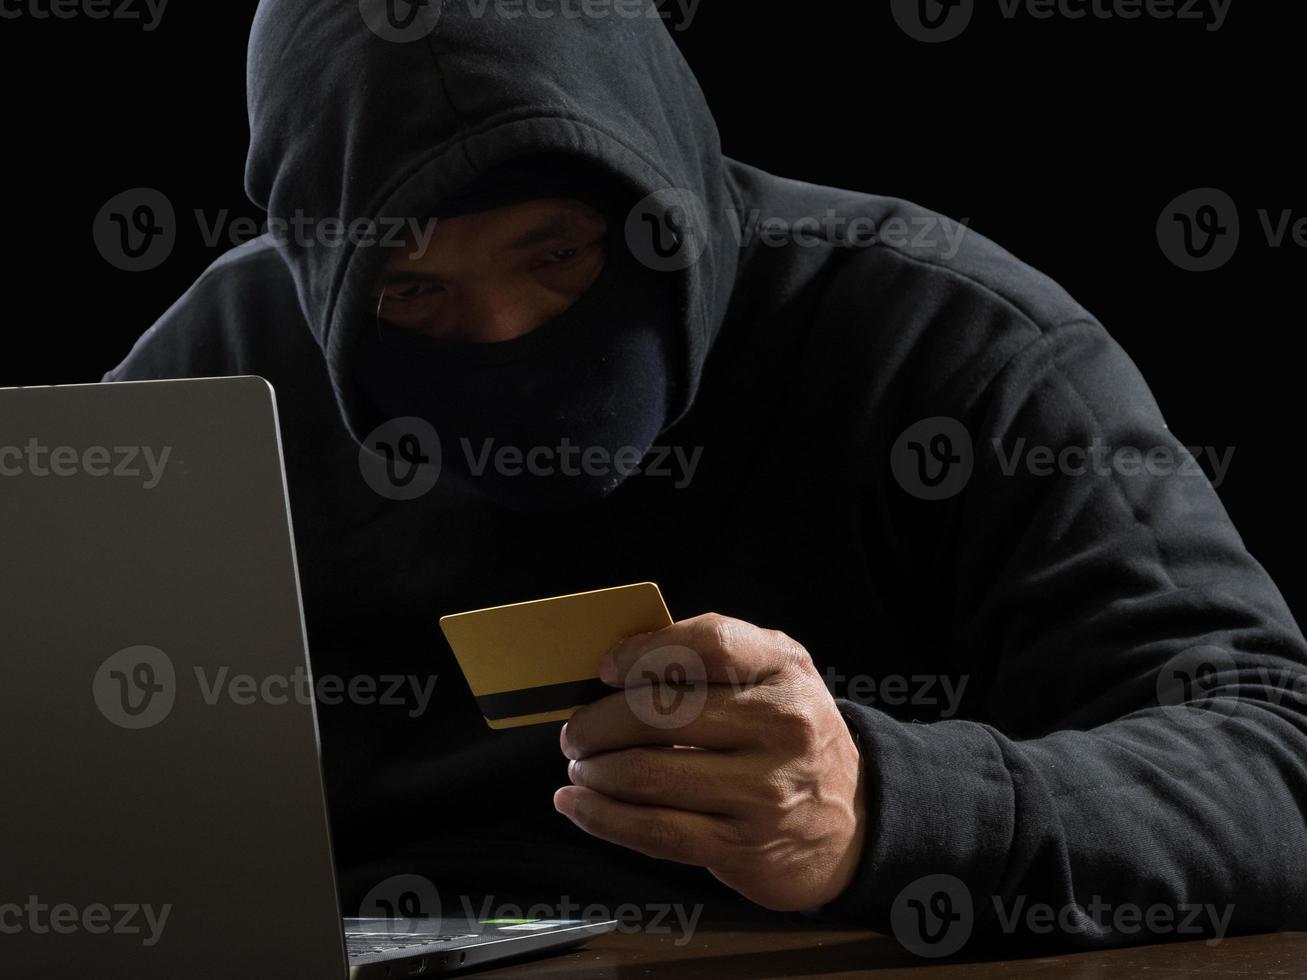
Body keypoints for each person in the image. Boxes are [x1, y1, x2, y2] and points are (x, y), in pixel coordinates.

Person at [104, 0, 1307, 951]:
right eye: (414, 292)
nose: (510, 330)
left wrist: (883, 807)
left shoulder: (941, 338)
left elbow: (1273, 761)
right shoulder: (234, 362)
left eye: (559, 253)